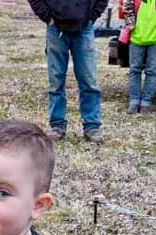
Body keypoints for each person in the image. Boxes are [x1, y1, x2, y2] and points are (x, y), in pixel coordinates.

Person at [27, 0, 108, 143]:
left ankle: (92, 126)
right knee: (56, 81)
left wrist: (92, 16)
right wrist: (47, 17)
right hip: (56, 28)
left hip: (84, 28)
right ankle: (57, 125)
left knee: (89, 80)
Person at [119, 0, 156, 113]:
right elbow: (127, 6)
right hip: (136, 37)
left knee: (151, 71)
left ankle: (146, 103)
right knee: (135, 70)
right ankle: (134, 101)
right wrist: (131, 25)